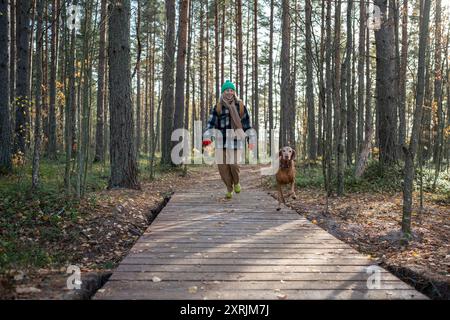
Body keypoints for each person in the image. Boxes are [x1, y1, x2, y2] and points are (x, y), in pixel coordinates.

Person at [202, 80, 256, 199]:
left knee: (234, 164)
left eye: (231, 90)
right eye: (227, 90)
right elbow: (210, 123)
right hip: (221, 142)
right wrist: (207, 137)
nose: (229, 92)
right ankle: (229, 188)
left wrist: (250, 139)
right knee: (223, 168)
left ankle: (236, 182)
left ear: (234, 92)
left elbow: (247, 125)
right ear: (223, 92)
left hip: (236, 141)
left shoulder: (241, 106)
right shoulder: (218, 107)